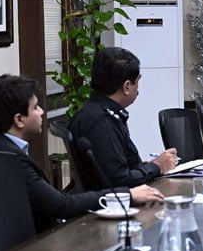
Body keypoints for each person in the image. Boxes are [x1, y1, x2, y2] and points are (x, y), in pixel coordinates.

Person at [0, 74, 164, 233]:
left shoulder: (3, 146)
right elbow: (61, 206)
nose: (42, 112)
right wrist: (128, 195)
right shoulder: (10, 159)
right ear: (19, 120)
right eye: (35, 107)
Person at [69, 47, 178, 190]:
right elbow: (119, 180)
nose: (138, 88)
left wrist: (151, 166)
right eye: (137, 81)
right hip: (113, 205)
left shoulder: (93, 111)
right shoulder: (102, 122)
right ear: (127, 86)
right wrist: (157, 166)